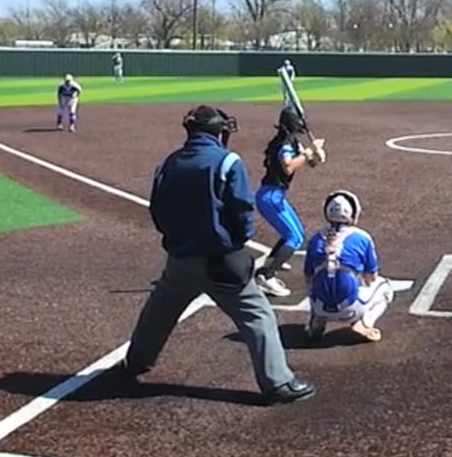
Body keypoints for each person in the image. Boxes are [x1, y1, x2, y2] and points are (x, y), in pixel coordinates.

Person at [112, 105, 314, 404]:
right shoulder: (228, 161)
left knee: (159, 311)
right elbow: (242, 212)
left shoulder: (169, 162)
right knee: (258, 316)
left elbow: (158, 211)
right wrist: (235, 243)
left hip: (180, 259)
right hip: (222, 261)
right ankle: (278, 383)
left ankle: (135, 362)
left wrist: (177, 240)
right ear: (218, 131)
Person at [301, 189, 394, 344]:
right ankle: (365, 322)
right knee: (385, 287)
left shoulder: (315, 239)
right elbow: (371, 277)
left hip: (319, 306)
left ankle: (317, 319)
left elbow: (308, 276)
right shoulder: (362, 237)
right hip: (351, 309)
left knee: (314, 283)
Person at [252, 105, 327, 298]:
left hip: (276, 196)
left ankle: (272, 262)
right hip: (270, 198)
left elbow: (308, 162)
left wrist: (316, 155)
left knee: (297, 233)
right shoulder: (284, 144)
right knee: (294, 238)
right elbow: (288, 166)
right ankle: (266, 277)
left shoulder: (292, 141)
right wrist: (309, 152)